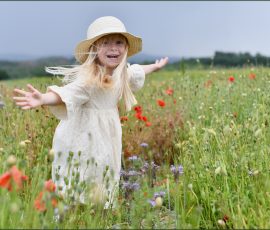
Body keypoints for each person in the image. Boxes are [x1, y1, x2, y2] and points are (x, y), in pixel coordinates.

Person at [13, 16, 168, 208]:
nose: (114, 48)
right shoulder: (89, 81)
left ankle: (99, 213)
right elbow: (66, 94)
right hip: (80, 138)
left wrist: (156, 66)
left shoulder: (121, 74)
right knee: (80, 175)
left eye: (119, 42)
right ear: (94, 49)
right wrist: (43, 99)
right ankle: (69, 213)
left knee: (104, 171)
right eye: (106, 43)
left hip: (106, 136)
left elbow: (138, 71)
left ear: (126, 48)